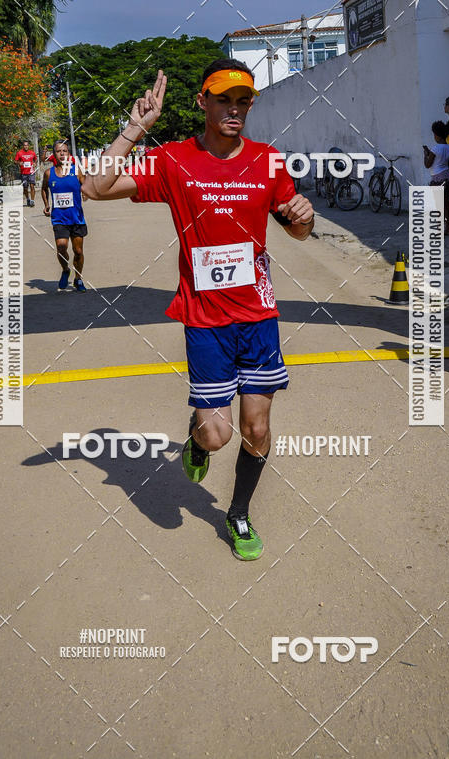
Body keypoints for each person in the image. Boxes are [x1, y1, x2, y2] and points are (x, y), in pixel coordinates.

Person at [82, 58, 315, 561]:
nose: (235, 109)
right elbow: (94, 188)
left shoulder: (269, 162)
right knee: (217, 434)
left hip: (258, 317)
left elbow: (296, 228)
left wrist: (304, 217)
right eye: (224, 99)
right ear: (202, 102)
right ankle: (196, 436)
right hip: (206, 320)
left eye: (244, 101)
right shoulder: (172, 161)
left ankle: (238, 513)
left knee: (256, 428)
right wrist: (135, 128)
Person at [41, 139, 88, 292]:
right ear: (54, 154)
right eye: (58, 151)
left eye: (64, 151)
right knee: (61, 248)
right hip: (59, 218)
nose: (62, 154)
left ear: (68, 154)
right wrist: (47, 205)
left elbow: (86, 185)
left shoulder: (77, 170)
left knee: (78, 251)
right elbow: (43, 189)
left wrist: (85, 193)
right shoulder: (49, 173)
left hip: (76, 217)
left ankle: (78, 279)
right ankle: (65, 270)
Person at [423, 120, 449, 234]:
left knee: (437, 204)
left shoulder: (435, 149)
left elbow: (427, 165)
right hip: (447, 176)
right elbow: (447, 163)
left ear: (437, 135)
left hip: (436, 178)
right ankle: (448, 227)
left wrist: (425, 155)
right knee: (446, 203)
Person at [15, 139, 37, 207]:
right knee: (25, 187)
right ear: (23, 146)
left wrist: (34, 163)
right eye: (24, 145)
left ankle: (32, 201)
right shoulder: (19, 153)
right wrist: (19, 163)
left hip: (31, 172)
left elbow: (35, 160)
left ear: (28, 146)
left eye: (27, 145)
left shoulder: (32, 153)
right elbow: (15, 161)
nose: (26, 147)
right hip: (23, 173)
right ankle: (28, 199)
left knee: (32, 186)